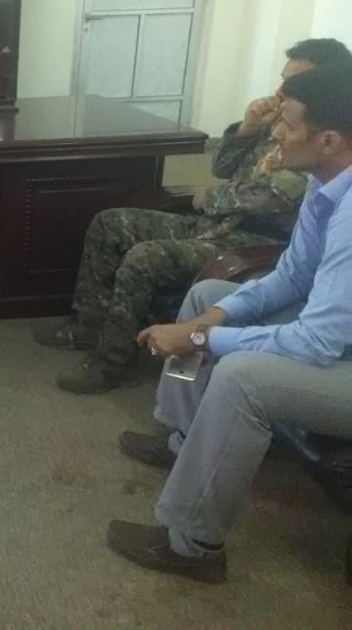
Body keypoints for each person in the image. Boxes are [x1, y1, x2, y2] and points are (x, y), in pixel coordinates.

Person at [106, 65, 352, 583]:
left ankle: (192, 544)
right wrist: (210, 318)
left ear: (328, 140)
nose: (276, 133)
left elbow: (316, 341)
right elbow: (290, 277)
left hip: (338, 353)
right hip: (339, 338)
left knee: (243, 378)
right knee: (208, 294)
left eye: (287, 124)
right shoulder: (326, 184)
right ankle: (181, 434)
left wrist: (200, 336)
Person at [36, 38, 352, 394]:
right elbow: (221, 166)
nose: (280, 91)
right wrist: (248, 128)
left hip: (252, 238)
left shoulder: (320, 144)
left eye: (293, 82)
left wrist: (209, 198)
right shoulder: (282, 122)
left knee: (145, 258)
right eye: (283, 80)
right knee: (110, 223)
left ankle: (111, 362)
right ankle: (88, 327)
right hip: (217, 224)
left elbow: (271, 197)